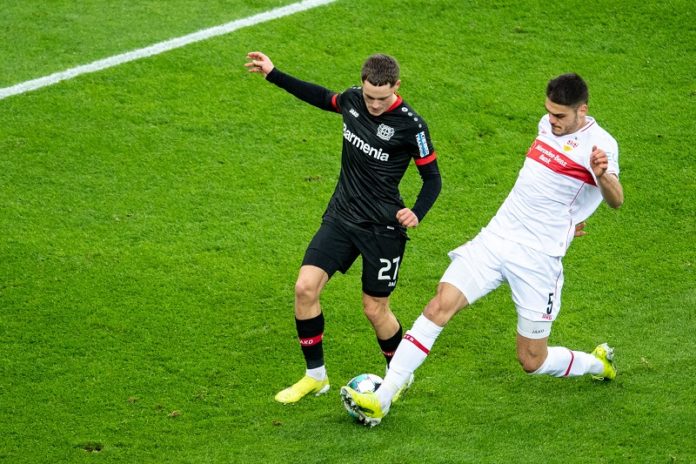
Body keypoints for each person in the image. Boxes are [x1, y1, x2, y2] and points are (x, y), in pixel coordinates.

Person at [342, 73, 624, 426]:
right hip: (496, 238)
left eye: (560, 116)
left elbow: (616, 199)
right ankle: (382, 398)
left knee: (532, 361)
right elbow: (544, 185)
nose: (552, 121)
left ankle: (598, 363)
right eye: (549, 112)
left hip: (537, 259)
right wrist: (569, 220)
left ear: (582, 110)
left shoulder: (601, 145)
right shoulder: (546, 125)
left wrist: (601, 175)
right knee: (438, 306)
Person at [245, 52, 442, 404]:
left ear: (397, 86)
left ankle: (397, 377)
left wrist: (416, 212)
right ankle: (315, 377)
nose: (374, 105)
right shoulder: (352, 100)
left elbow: (432, 179)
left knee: (374, 309)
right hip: (341, 216)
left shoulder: (412, 126)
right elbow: (321, 97)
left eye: (382, 98)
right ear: (362, 85)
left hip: (382, 228)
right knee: (305, 288)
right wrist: (274, 73)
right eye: (369, 96)